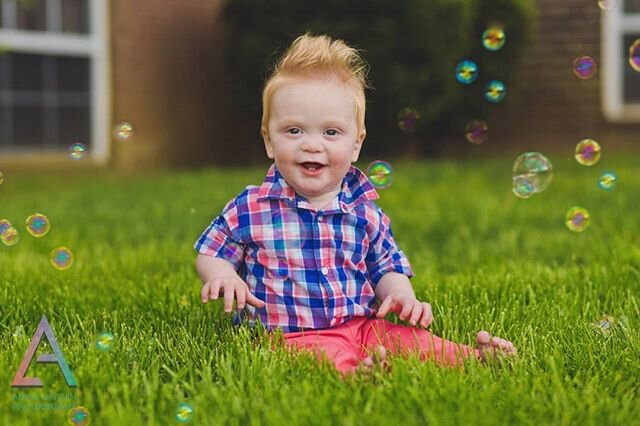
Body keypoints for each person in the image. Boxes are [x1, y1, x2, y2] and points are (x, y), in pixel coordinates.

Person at [195, 33, 516, 376]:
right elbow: (211, 252)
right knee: (321, 357)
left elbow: (386, 267)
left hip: (362, 325)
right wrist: (224, 277)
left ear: (356, 145)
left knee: (412, 340)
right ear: (269, 140)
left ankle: (473, 357)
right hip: (290, 334)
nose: (312, 145)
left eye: (331, 132)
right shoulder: (251, 207)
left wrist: (402, 296)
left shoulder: (365, 212)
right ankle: (356, 374)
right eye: (294, 131)